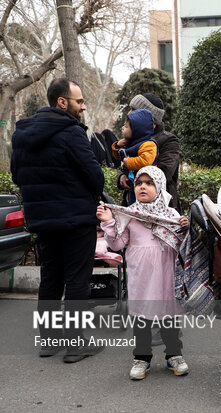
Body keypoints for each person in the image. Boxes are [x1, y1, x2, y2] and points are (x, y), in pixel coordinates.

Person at [11, 77, 105, 363]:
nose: (83, 106)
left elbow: (17, 176)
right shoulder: (72, 132)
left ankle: (50, 341)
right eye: (79, 101)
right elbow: (95, 177)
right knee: (77, 280)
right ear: (62, 102)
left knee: (51, 278)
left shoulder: (22, 135)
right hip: (76, 219)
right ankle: (76, 345)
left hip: (43, 220)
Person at [97, 166, 190, 380]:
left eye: (149, 183)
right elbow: (118, 243)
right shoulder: (129, 215)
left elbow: (182, 245)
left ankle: (174, 355)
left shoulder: (171, 215)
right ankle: (141, 358)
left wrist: (184, 227)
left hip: (166, 276)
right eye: (139, 183)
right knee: (142, 319)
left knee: (169, 317)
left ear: (160, 187)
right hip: (141, 276)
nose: (143, 187)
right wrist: (109, 222)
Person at [118, 93, 180, 211]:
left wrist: (135, 177)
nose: (129, 113)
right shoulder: (132, 140)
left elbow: (164, 172)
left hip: (159, 211)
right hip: (132, 206)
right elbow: (124, 166)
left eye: (133, 110)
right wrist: (122, 177)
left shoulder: (168, 140)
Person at [111, 109, 158, 205]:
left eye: (126, 126)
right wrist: (118, 146)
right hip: (133, 185)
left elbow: (145, 161)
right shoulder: (131, 143)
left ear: (137, 130)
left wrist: (128, 162)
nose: (122, 128)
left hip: (144, 185)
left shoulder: (148, 144)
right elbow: (119, 157)